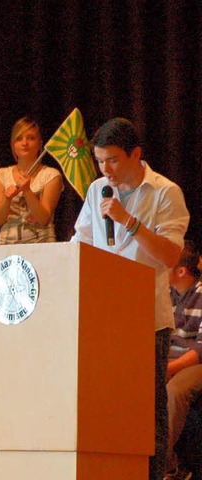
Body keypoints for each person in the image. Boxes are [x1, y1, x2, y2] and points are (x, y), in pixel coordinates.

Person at [71, 118, 189, 480]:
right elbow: (81, 243)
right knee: (105, 404)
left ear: (136, 154)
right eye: (99, 161)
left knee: (146, 408)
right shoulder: (96, 190)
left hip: (146, 318)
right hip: (101, 316)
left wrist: (129, 221)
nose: (105, 170)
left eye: (114, 160)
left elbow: (170, 257)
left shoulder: (165, 192)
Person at [0, 116, 63, 244]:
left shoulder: (51, 175)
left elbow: (44, 218)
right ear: (13, 144)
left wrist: (27, 191)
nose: (24, 143)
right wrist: (7, 199)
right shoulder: (1, 175)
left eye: (31, 138)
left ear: (40, 143)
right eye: (19, 138)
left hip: (42, 244)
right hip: (7, 245)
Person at [164, 242, 202, 480]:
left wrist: (171, 368)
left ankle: (163, 466)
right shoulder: (164, 294)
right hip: (168, 358)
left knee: (174, 392)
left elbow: (201, 347)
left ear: (181, 271)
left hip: (194, 361)